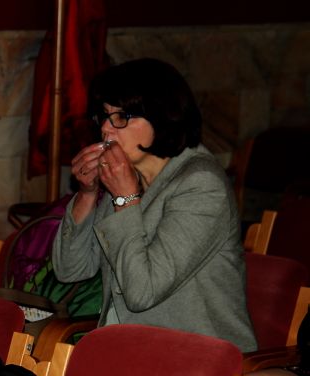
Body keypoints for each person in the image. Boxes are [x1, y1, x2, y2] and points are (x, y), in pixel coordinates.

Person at [54, 58, 256, 352]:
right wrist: (87, 192)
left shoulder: (201, 185)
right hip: (130, 350)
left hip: (195, 357)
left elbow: (142, 293)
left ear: (162, 117)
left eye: (121, 117)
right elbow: (70, 270)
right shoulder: (128, 178)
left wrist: (125, 199)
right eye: (104, 116)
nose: (107, 129)